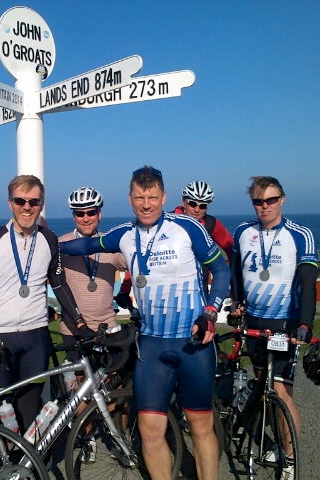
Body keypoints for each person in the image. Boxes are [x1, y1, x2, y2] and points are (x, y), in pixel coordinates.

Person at [60, 166, 231, 480]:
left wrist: (210, 312)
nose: (147, 204)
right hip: (151, 345)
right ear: (130, 199)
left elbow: (221, 270)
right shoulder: (124, 234)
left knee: (201, 425)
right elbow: (84, 246)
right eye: (140, 197)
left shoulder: (188, 228)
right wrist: (44, 244)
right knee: (150, 431)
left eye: (152, 197)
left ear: (163, 197)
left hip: (192, 343)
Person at [0, 174, 91, 432]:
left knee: (30, 409)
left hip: (36, 336)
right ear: (10, 203)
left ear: (41, 204)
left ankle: (28, 467)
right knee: (1, 413)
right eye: (20, 201)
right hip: (0, 338)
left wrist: (79, 321)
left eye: (34, 202)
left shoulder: (49, 239)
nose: (27, 207)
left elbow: (59, 284)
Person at [229, 176, 318, 479]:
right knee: (262, 383)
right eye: (258, 201)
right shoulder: (243, 231)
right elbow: (235, 271)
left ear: (282, 199)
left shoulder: (299, 234)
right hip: (254, 322)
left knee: (281, 390)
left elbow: (307, 282)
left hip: (285, 323)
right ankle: (270, 435)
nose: (264, 206)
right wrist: (237, 300)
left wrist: (305, 323)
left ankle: (289, 457)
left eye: (270, 200)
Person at [58, 187, 127, 355]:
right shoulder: (61, 244)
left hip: (107, 327)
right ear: (74, 216)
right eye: (80, 214)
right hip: (73, 330)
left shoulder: (111, 245)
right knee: (76, 380)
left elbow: (139, 266)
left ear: (99, 214)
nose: (86, 219)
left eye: (91, 213)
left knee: (112, 379)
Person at [174, 180, 233, 260]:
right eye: (192, 204)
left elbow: (231, 247)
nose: (197, 210)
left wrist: (232, 269)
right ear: (183, 203)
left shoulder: (211, 223)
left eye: (202, 206)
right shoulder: (169, 221)